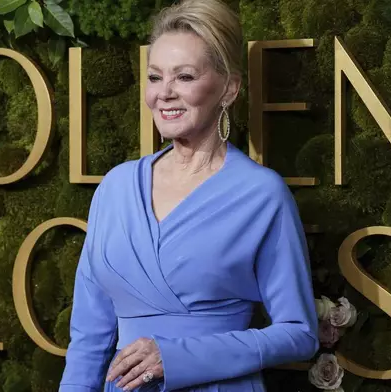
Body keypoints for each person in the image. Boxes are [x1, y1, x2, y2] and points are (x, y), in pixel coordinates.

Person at [58, 0, 319, 390]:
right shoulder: (115, 188)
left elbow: (299, 333)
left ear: (228, 88)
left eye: (184, 77)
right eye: (154, 77)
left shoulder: (261, 195)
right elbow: (88, 338)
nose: (164, 93)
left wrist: (179, 357)